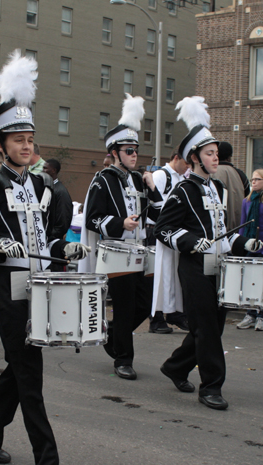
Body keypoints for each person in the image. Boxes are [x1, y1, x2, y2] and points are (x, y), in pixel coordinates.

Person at [0, 50, 88, 465]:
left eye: (30, 138)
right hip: (10, 288)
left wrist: (62, 251)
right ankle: (46, 460)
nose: (26, 145)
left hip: (42, 286)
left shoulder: (41, 184)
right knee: (30, 375)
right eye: (17, 140)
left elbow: (46, 240)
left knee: (20, 368)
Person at [154, 96, 262, 411]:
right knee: (208, 331)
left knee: (210, 327)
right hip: (194, 269)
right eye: (210, 154)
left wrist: (243, 244)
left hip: (218, 266)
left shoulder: (215, 188)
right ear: (194, 158)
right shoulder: (182, 191)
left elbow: (219, 233)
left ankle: (175, 367)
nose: (216, 158)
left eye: (216, 153)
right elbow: (163, 229)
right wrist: (190, 241)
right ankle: (211, 387)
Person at [81, 94, 156, 381]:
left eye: (136, 150)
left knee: (145, 304)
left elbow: (159, 213)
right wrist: (119, 223)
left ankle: (113, 333)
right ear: (114, 152)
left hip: (139, 251)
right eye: (128, 150)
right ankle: (123, 358)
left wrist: (153, 187)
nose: (134, 154)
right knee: (125, 306)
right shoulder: (103, 179)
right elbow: (93, 218)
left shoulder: (138, 179)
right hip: (115, 252)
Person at [146, 152, 189, 334]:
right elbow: (154, 207)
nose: (188, 167)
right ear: (177, 157)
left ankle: (174, 313)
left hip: (171, 232)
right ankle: (155, 318)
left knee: (172, 275)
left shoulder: (179, 178)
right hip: (157, 231)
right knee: (158, 276)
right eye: (186, 162)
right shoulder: (160, 176)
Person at [236, 168, 263, 331]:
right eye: (252, 179)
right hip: (249, 244)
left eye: (257, 179)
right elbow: (242, 224)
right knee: (249, 280)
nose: (254, 182)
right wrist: (240, 243)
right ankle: (250, 313)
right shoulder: (246, 201)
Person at [213, 141, 249, 230]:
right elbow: (248, 200)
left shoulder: (209, 174)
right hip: (237, 228)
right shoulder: (240, 175)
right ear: (229, 158)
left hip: (215, 228)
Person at [43, 158, 72, 241]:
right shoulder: (50, 188)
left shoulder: (60, 192)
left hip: (53, 239)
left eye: (45, 168)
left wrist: (51, 236)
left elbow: (63, 218)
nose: (43, 171)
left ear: (53, 170)